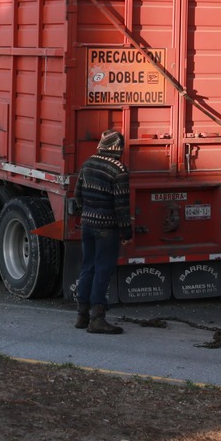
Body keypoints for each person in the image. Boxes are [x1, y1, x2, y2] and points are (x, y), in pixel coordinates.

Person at [71, 129, 134, 334]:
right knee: (103, 270)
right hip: (107, 227)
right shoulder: (119, 170)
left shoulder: (88, 164)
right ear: (118, 149)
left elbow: (77, 196)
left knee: (88, 266)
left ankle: (82, 316)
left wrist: (88, 212)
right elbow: (121, 207)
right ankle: (97, 319)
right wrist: (126, 233)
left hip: (87, 224)